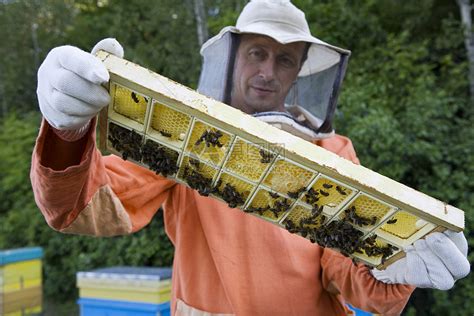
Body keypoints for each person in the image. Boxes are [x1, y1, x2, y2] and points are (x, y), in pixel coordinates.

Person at [32, 0, 469, 315]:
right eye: (257, 53)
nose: (268, 72)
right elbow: (87, 207)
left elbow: (349, 276)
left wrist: (392, 265)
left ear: (297, 72)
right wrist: (67, 132)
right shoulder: (187, 138)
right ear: (233, 57)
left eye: (284, 60)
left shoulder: (332, 153)